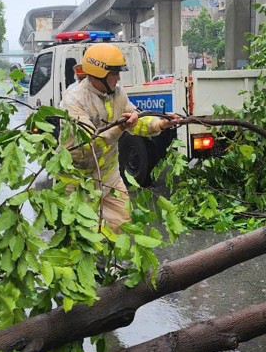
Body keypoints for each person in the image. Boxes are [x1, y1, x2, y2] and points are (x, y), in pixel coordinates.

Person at [60, 43, 180, 233]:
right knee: (83, 238)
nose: (118, 77)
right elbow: (89, 142)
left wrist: (161, 124)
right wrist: (121, 127)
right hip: (78, 183)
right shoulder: (73, 100)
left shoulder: (118, 94)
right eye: (114, 73)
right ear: (99, 73)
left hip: (110, 178)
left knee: (121, 225)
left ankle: (111, 263)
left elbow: (136, 118)